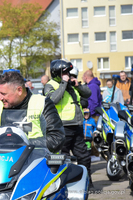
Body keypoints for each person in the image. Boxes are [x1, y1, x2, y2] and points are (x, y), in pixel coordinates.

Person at [0, 71, 65, 154]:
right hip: (1, 164)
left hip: (37, 163)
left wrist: (21, 143)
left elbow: (56, 139)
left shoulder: (42, 103)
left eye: (3, 94)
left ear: (19, 90)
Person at [43, 59, 94, 190]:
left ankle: (86, 182)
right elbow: (53, 99)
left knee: (84, 156)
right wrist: (64, 83)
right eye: (64, 72)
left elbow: (88, 94)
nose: (67, 75)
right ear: (56, 73)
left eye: (68, 72)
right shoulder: (51, 85)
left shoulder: (70, 84)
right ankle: (63, 185)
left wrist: (77, 85)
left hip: (77, 126)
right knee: (63, 158)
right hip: (62, 128)